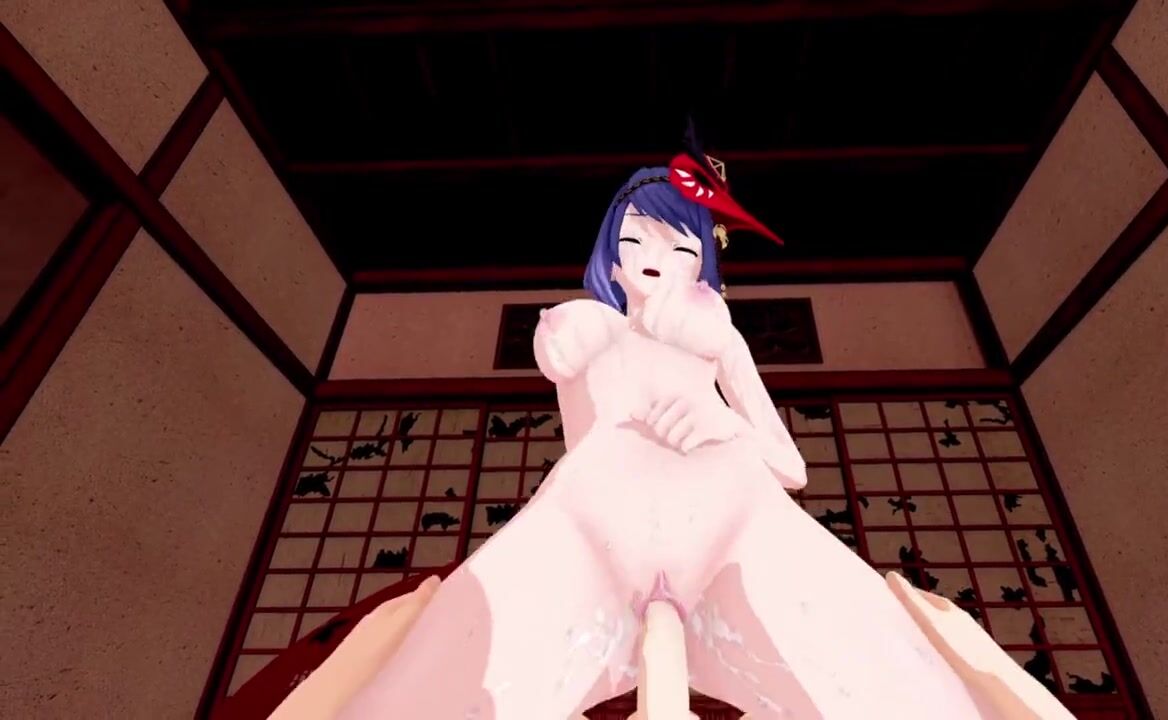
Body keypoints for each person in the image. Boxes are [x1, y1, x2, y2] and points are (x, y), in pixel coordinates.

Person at [311, 147, 1077, 720]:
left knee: (895, 686)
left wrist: (723, 413)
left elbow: (789, 464)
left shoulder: (716, 339)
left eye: (681, 248)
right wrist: (586, 342)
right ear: (611, 253)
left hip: (732, 508)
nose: (656, 260)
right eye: (637, 241)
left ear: (703, 267)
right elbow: (569, 383)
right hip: (596, 516)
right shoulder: (585, 327)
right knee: (439, 682)